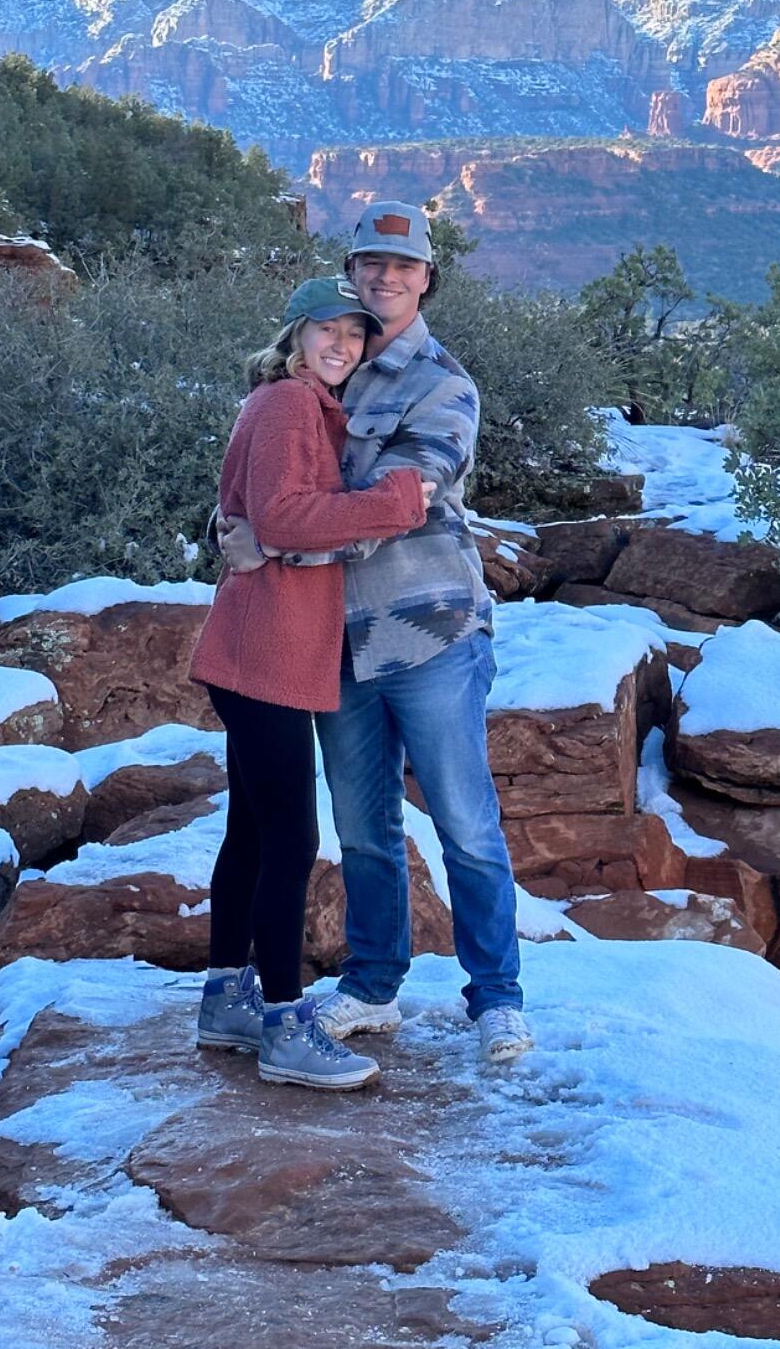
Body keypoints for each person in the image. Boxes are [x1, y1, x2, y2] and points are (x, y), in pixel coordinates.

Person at [233, 201, 534, 1065]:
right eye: (371, 263)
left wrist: (277, 538)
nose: (385, 277)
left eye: (403, 267)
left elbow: (404, 501)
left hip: (430, 629)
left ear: (426, 278)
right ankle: (372, 985)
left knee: (464, 823)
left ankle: (496, 999)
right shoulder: (318, 369)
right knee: (362, 826)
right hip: (334, 636)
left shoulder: (443, 384)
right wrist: (235, 524)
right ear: (351, 273)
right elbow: (261, 481)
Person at [187, 276, 433, 1090]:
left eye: (354, 334)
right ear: (295, 334)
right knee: (290, 842)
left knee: (253, 836)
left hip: (262, 648)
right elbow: (284, 516)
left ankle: (225, 1002)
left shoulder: (290, 405)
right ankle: (286, 1027)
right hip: (268, 654)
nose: (342, 344)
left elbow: (259, 513)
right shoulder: (290, 403)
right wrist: (396, 499)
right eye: (327, 329)